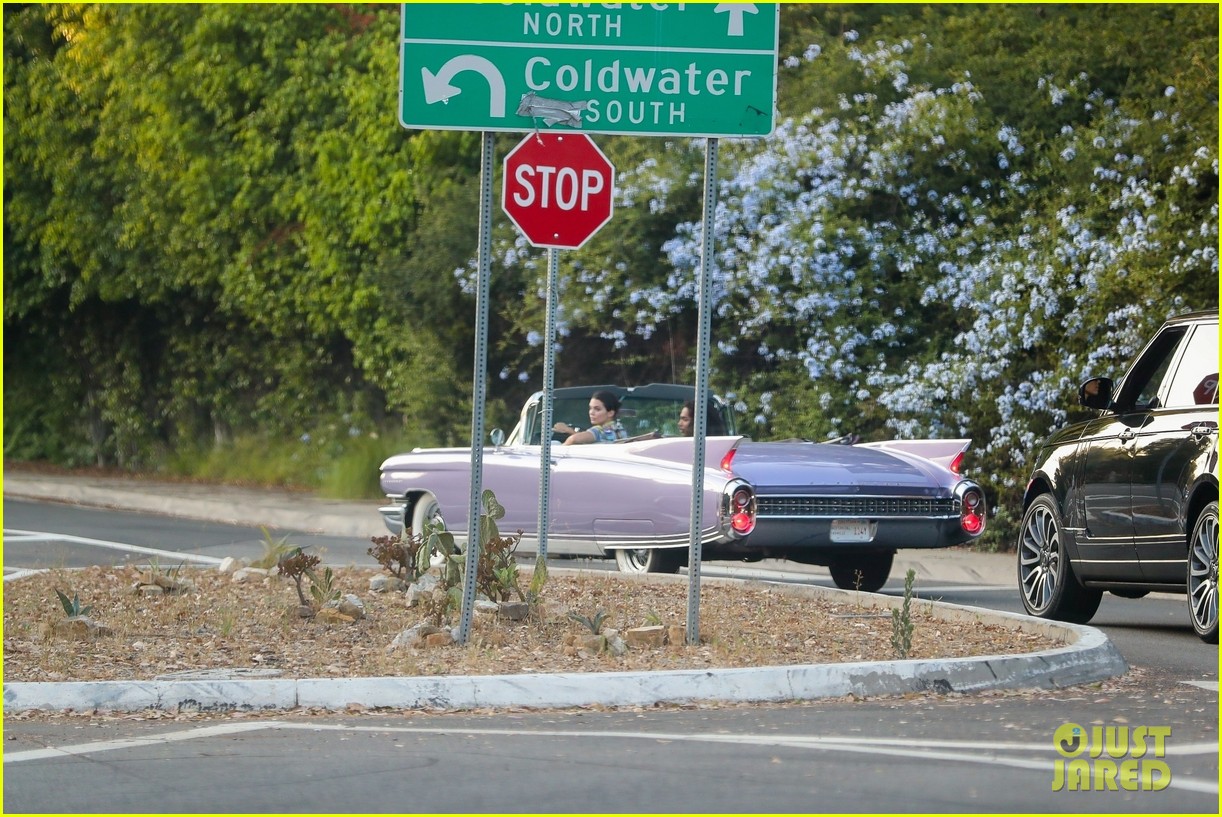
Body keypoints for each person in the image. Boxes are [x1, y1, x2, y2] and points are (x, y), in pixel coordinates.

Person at [553, 390, 628, 445]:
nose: (591, 412)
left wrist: (561, 449)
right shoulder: (620, 429)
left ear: (610, 413)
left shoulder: (600, 430)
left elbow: (574, 439)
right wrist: (569, 431)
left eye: (597, 409)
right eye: (590, 408)